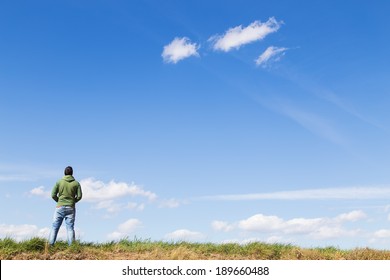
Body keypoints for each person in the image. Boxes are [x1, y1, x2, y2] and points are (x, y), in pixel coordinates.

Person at [48, 166, 82, 246]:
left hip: (60, 207)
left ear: (64, 173)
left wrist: (59, 201)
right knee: (70, 228)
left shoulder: (59, 182)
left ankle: (50, 245)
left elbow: (53, 195)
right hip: (71, 207)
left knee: (55, 227)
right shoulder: (76, 183)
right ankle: (71, 247)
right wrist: (73, 202)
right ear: (72, 173)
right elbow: (79, 196)